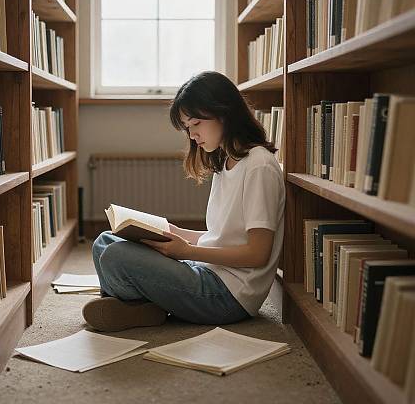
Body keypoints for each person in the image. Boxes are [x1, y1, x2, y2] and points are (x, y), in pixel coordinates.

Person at [82, 71, 285, 332]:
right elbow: (223, 237)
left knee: (115, 256)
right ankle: (141, 308)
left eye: (195, 124)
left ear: (224, 112)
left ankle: (138, 307)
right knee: (105, 241)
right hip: (206, 270)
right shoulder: (227, 160)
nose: (192, 136)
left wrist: (186, 252)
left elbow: (258, 254)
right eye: (188, 128)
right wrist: (175, 233)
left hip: (227, 296)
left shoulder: (259, 166)